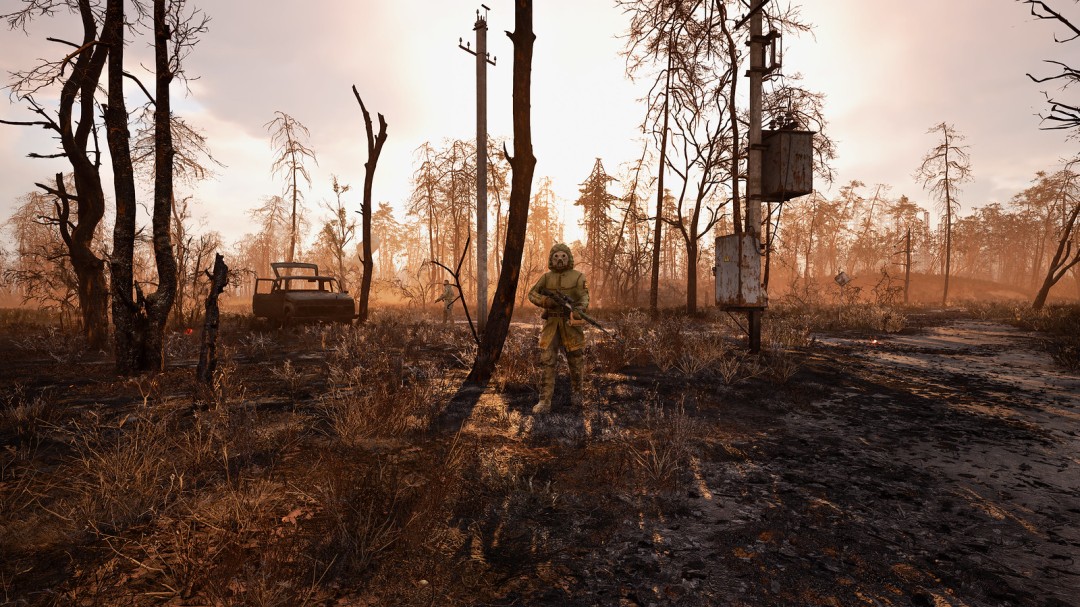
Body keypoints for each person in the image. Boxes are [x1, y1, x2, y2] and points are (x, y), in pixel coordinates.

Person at [527, 243, 590, 414]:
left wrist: (579, 310)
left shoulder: (578, 277)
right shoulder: (546, 278)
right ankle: (544, 401)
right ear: (551, 259)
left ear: (569, 258)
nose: (560, 260)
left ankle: (578, 396)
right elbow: (532, 293)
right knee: (547, 362)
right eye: (556, 257)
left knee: (576, 361)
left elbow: (584, 297)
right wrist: (546, 302)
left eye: (563, 256)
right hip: (551, 326)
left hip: (571, 325)